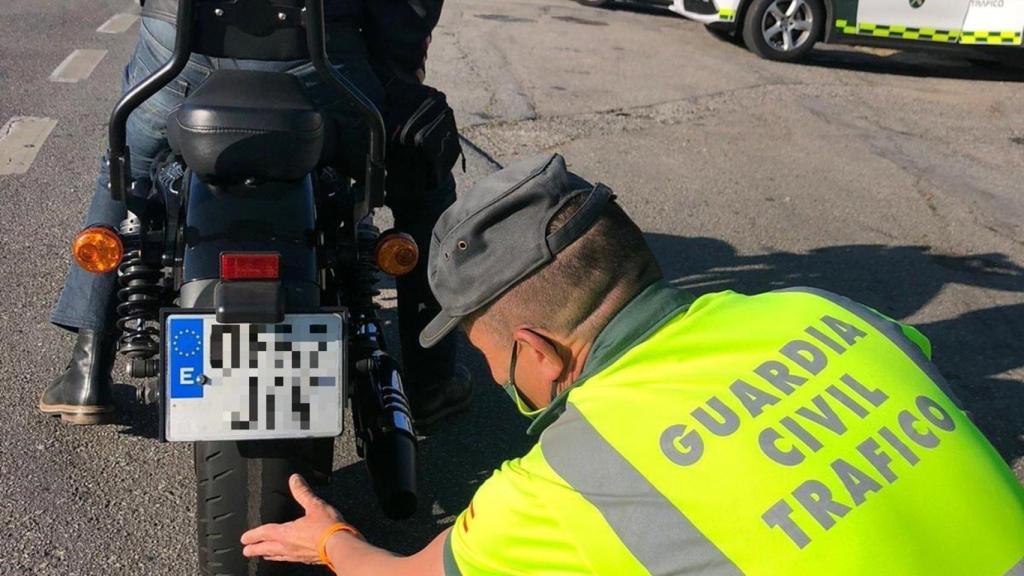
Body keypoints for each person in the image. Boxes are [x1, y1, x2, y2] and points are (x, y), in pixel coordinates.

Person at [240, 153, 1024, 575]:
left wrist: (331, 539)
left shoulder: (568, 482)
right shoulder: (827, 312)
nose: (491, 378)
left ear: (535, 352)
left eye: (485, 356)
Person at [41, 0, 471, 428]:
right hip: (320, 64)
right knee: (424, 182)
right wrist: (395, 64)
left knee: (126, 169)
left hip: (178, 58)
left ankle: (88, 370)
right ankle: (430, 383)